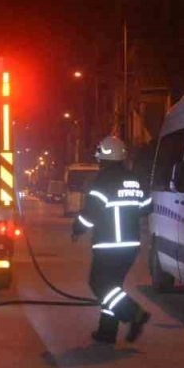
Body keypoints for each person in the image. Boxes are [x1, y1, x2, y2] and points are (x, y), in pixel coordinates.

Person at [71, 135, 153, 344]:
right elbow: (146, 207)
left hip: (109, 245)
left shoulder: (103, 181)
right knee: (113, 286)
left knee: (99, 284)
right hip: (131, 245)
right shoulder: (134, 179)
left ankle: (134, 313)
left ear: (105, 157)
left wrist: (77, 228)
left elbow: (91, 213)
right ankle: (107, 332)